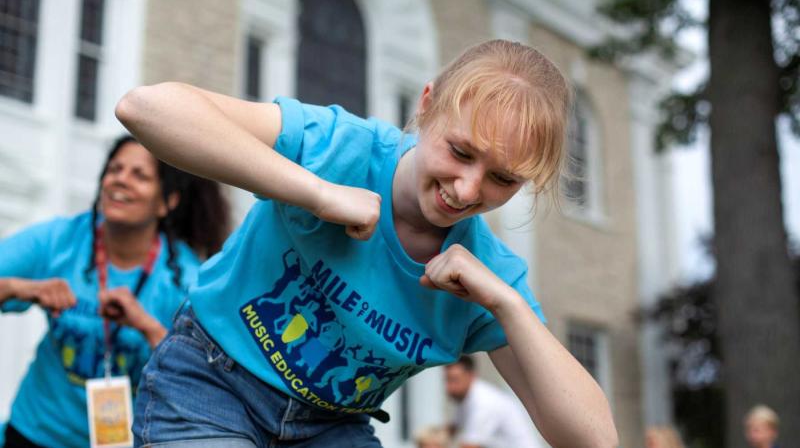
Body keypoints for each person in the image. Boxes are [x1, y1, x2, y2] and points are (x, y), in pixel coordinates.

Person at [116, 39, 618, 447]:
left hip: (333, 428)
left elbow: (594, 441)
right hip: (213, 379)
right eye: (460, 152)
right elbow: (145, 108)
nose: (467, 190)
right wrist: (315, 192)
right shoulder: (338, 145)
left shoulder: (486, 275)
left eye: (503, 180)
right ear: (427, 106)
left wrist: (507, 304)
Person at [0, 135, 230, 448]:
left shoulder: (185, 280)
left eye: (140, 175)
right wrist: (24, 288)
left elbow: (207, 384)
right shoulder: (60, 240)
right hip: (35, 435)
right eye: (114, 169)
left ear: (166, 202)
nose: (120, 180)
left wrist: (145, 325)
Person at [445, 355, 544, 448]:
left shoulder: (484, 402)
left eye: (455, 380)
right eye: (447, 380)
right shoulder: (465, 398)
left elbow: (470, 446)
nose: (449, 387)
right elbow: (452, 429)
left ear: (470, 376)